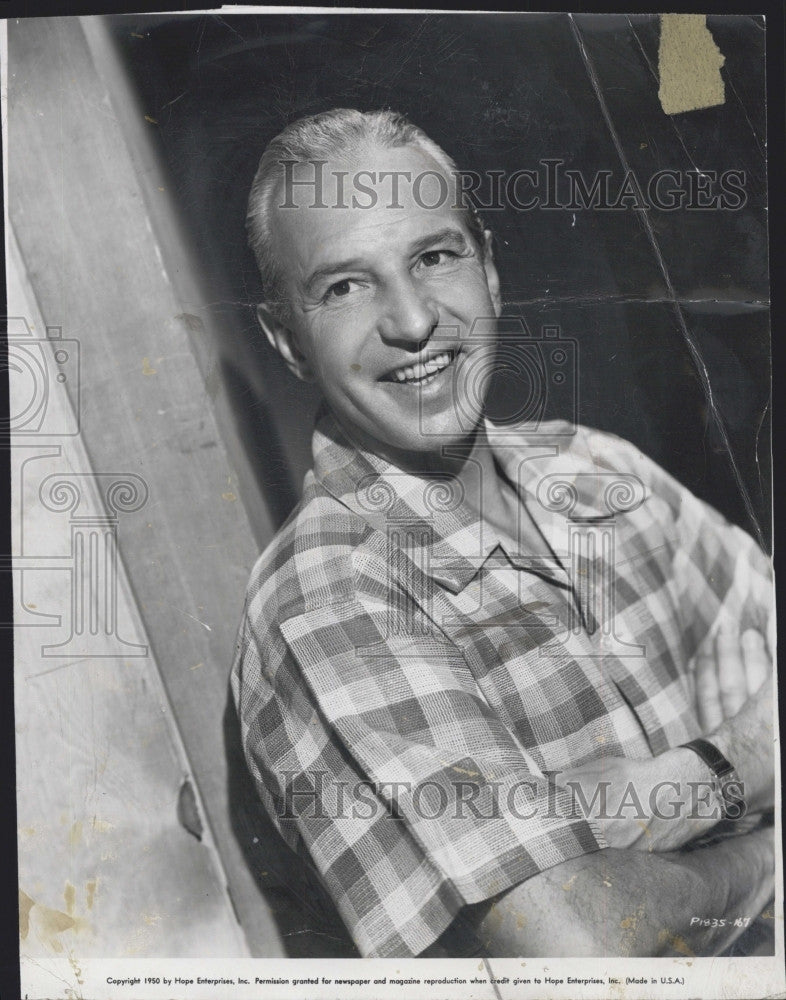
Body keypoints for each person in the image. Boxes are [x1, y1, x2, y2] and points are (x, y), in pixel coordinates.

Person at [231, 108, 775, 959]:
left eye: (434, 256)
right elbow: (576, 948)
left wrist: (656, 797)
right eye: (345, 286)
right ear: (288, 341)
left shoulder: (592, 467)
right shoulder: (325, 599)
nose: (412, 322)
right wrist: (749, 787)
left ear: (488, 266)